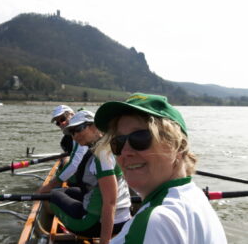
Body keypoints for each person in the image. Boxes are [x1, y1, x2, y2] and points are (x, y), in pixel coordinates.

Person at [94, 92, 227, 244]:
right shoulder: (195, 196)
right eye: (118, 142)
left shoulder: (155, 221)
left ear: (178, 146)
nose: (125, 152)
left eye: (140, 138)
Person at [49, 110, 131, 244]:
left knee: (53, 196)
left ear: (95, 126)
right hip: (123, 218)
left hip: (93, 223)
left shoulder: (102, 157)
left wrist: (105, 241)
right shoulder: (111, 146)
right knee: (68, 192)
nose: (75, 136)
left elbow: (110, 203)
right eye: (72, 132)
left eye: (79, 129)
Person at [38, 105, 89, 192]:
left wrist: (51, 184)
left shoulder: (81, 133)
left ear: (72, 115)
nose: (61, 124)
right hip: (85, 175)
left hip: (87, 180)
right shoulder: (67, 139)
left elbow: (74, 164)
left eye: (63, 119)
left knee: (49, 194)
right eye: (58, 123)